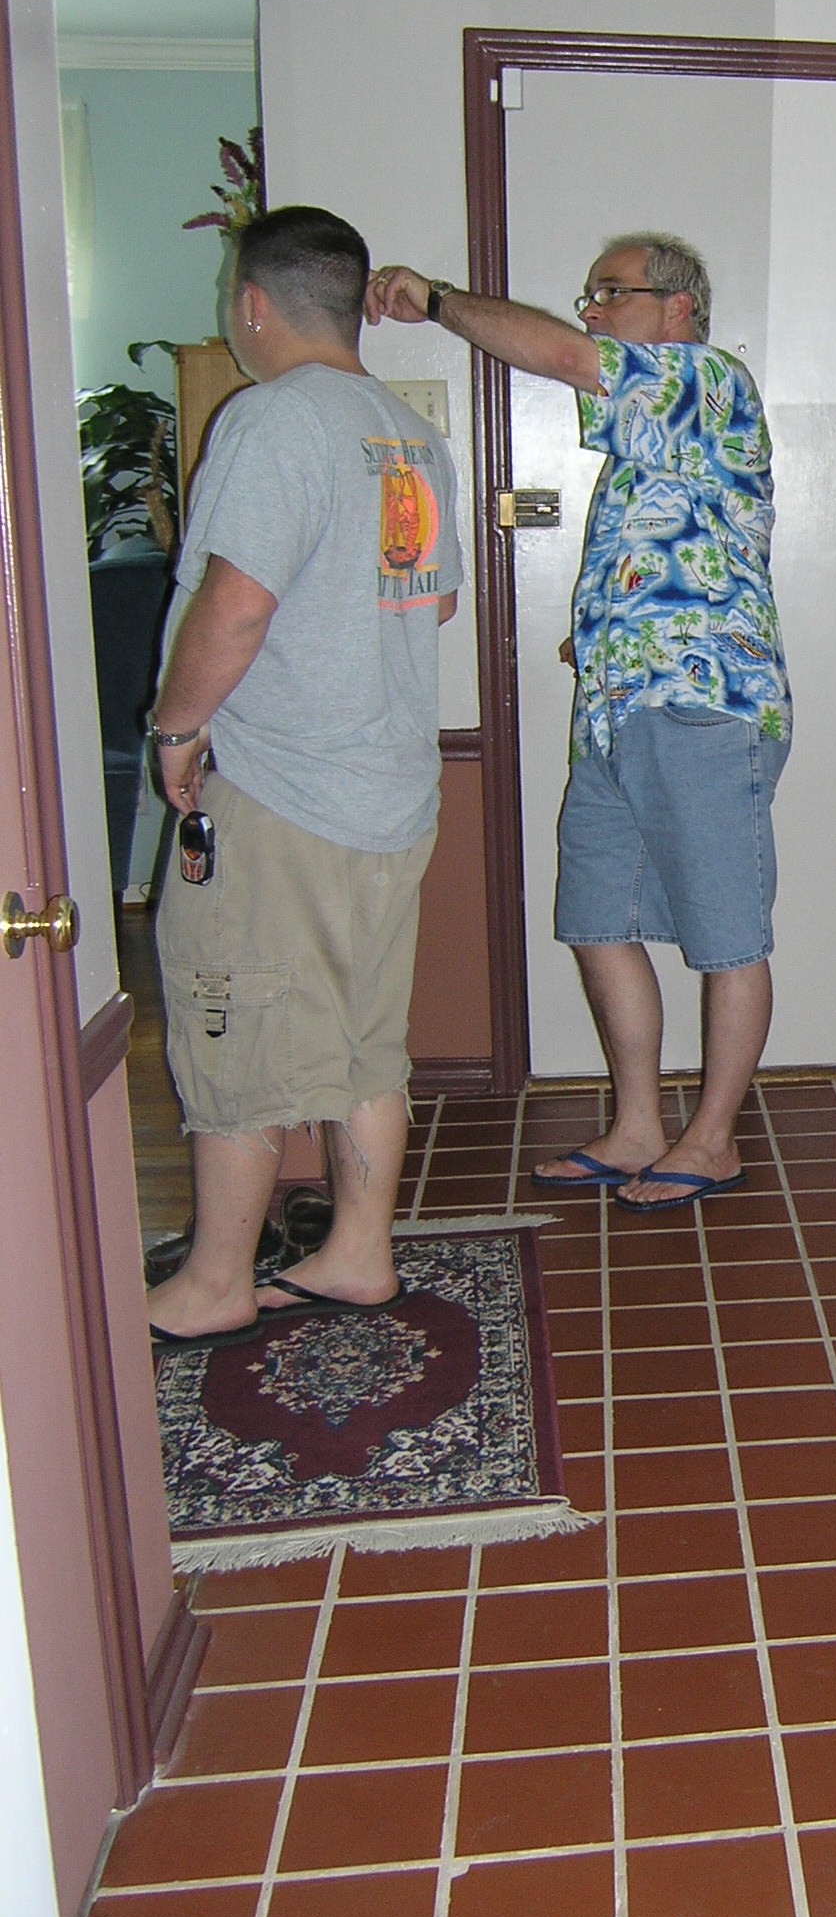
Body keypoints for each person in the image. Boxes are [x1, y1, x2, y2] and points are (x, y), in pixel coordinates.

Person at [365, 233, 788, 1213]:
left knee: (727, 934)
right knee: (599, 919)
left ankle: (713, 1138)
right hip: (614, 707)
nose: (591, 310)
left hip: (704, 706)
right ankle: (639, 1123)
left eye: (612, 293)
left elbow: (557, 354)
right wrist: (604, 635)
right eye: (588, 293)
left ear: (678, 307)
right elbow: (674, 549)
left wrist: (431, 297)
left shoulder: (708, 380)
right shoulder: (652, 429)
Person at [147, 206, 461, 1346]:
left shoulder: (271, 420)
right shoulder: (403, 429)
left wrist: (178, 728)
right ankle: (359, 1251)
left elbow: (236, 603)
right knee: (366, 1037)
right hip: (388, 792)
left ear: (252, 303)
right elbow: (433, 598)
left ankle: (217, 1279)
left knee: (226, 1017)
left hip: (282, 793)